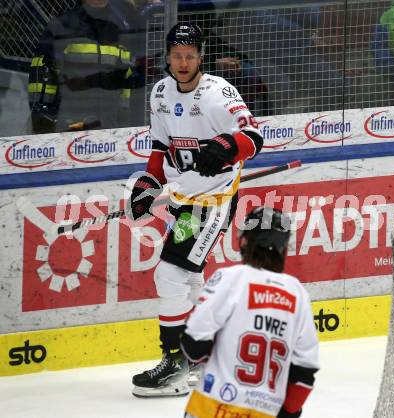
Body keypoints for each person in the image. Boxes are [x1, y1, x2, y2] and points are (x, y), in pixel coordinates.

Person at [130, 22, 263, 397]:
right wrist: (148, 183)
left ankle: (175, 363)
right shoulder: (159, 93)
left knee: (169, 273)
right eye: (177, 56)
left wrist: (225, 145)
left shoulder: (219, 92)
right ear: (168, 57)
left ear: (200, 56)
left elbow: (253, 135)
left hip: (212, 201)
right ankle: (209, 356)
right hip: (181, 200)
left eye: (190, 56)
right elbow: (159, 147)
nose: (183, 62)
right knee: (189, 280)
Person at [180, 207, 319, 418]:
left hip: (211, 410)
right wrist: (287, 412)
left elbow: (193, 345)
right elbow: (304, 374)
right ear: (284, 248)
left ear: (244, 241)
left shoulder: (230, 278)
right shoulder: (297, 292)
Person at [28, 0, 140, 133]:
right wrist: (43, 112)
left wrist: (124, 115)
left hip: (109, 125)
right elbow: (42, 70)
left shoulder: (123, 26)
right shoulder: (64, 24)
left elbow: (126, 76)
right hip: (70, 122)